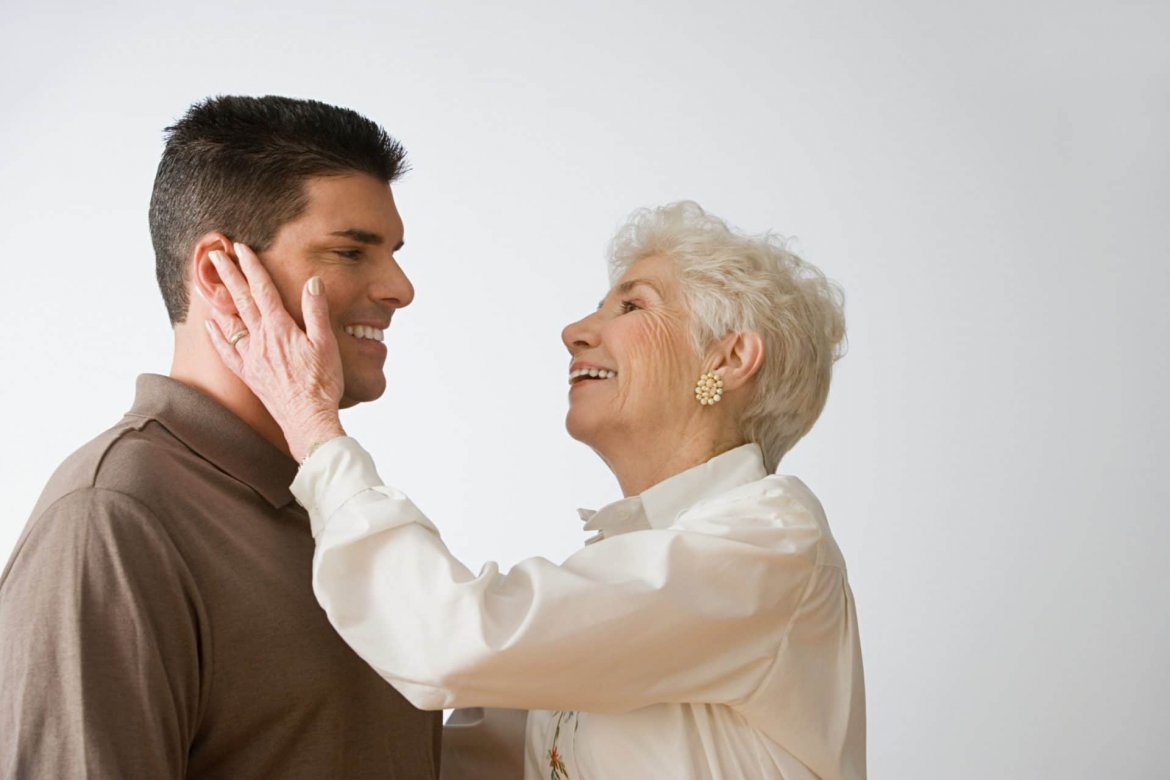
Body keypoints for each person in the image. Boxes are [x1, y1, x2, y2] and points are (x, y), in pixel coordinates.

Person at [207, 201, 865, 778]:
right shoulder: (635, 573)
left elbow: (453, 641)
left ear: (728, 358)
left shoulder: (771, 543)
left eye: (632, 305)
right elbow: (446, 754)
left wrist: (313, 424)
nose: (574, 330)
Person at [0, 95, 444, 778]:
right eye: (352, 251)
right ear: (218, 274)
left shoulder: (341, 502)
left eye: (393, 253)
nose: (400, 288)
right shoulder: (112, 517)